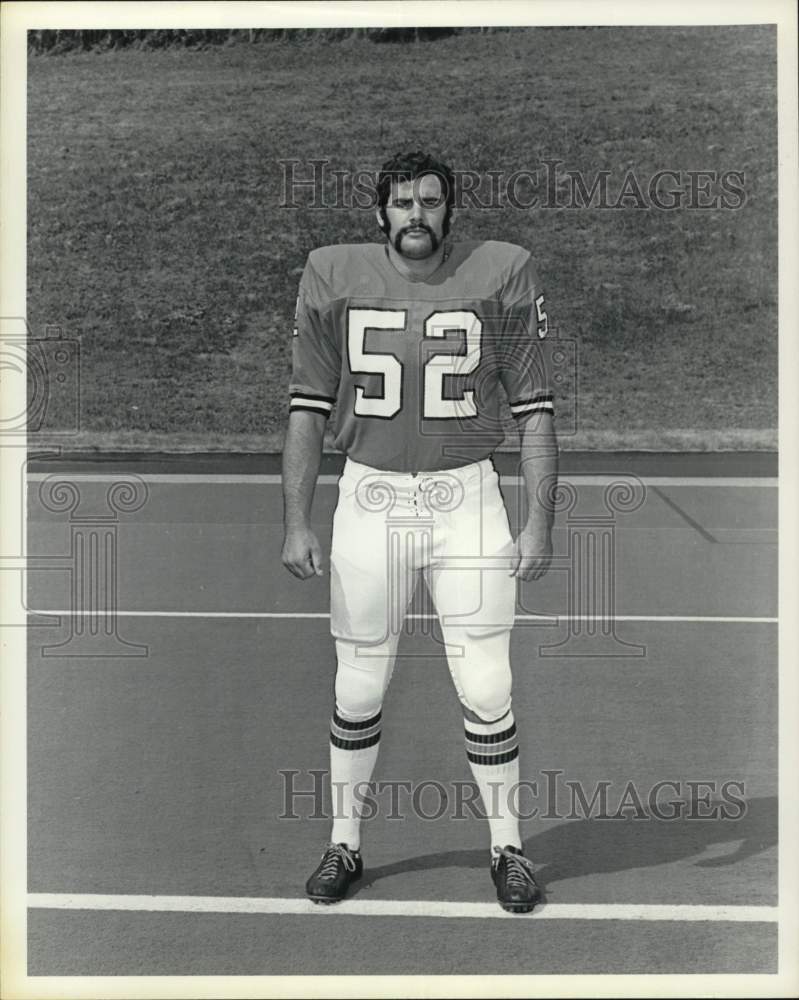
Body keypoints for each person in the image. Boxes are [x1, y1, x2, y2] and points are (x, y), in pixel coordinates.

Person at [281, 150, 557, 913]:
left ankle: (507, 847)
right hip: (368, 497)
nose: (415, 216)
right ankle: (344, 843)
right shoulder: (333, 275)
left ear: (448, 210)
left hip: (465, 499)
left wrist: (539, 520)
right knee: (359, 681)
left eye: (429, 202)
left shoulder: (501, 272)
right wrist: (295, 520)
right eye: (401, 203)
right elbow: (306, 406)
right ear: (380, 213)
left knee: (487, 681)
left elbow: (535, 409)